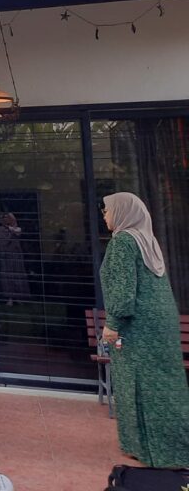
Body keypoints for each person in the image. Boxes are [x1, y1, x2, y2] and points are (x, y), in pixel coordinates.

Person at [99, 192, 189, 468]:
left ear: (122, 212)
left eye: (107, 210)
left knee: (137, 385)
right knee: (164, 385)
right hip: (160, 324)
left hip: (137, 326)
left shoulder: (123, 242)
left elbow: (124, 291)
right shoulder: (146, 240)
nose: (104, 215)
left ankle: (151, 449)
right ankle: (173, 444)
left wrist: (112, 324)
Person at [0, 213, 30, 306]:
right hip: (4, 257)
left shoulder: (17, 229)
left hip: (15, 257)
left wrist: (9, 227)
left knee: (16, 276)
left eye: (7, 218)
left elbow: (16, 231)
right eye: (4, 218)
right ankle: (9, 298)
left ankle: (18, 297)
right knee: (6, 277)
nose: (5, 219)